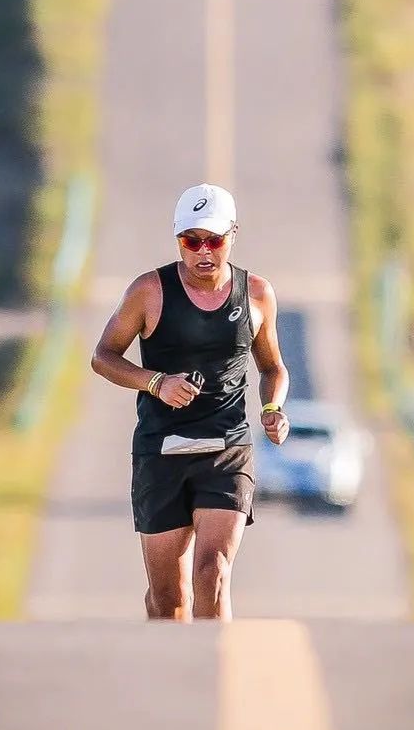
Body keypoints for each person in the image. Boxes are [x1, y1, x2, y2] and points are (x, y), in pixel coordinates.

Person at [90, 183, 289, 621]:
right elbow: (103, 357)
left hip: (226, 449)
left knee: (212, 572)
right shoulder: (149, 291)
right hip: (161, 451)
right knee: (168, 599)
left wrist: (272, 409)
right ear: (178, 240)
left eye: (213, 240)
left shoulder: (256, 294)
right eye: (191, 240)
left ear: (232, 235)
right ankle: (169, 672)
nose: (203, 251)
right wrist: (156, 382)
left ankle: (213, 670)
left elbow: (273, 368)